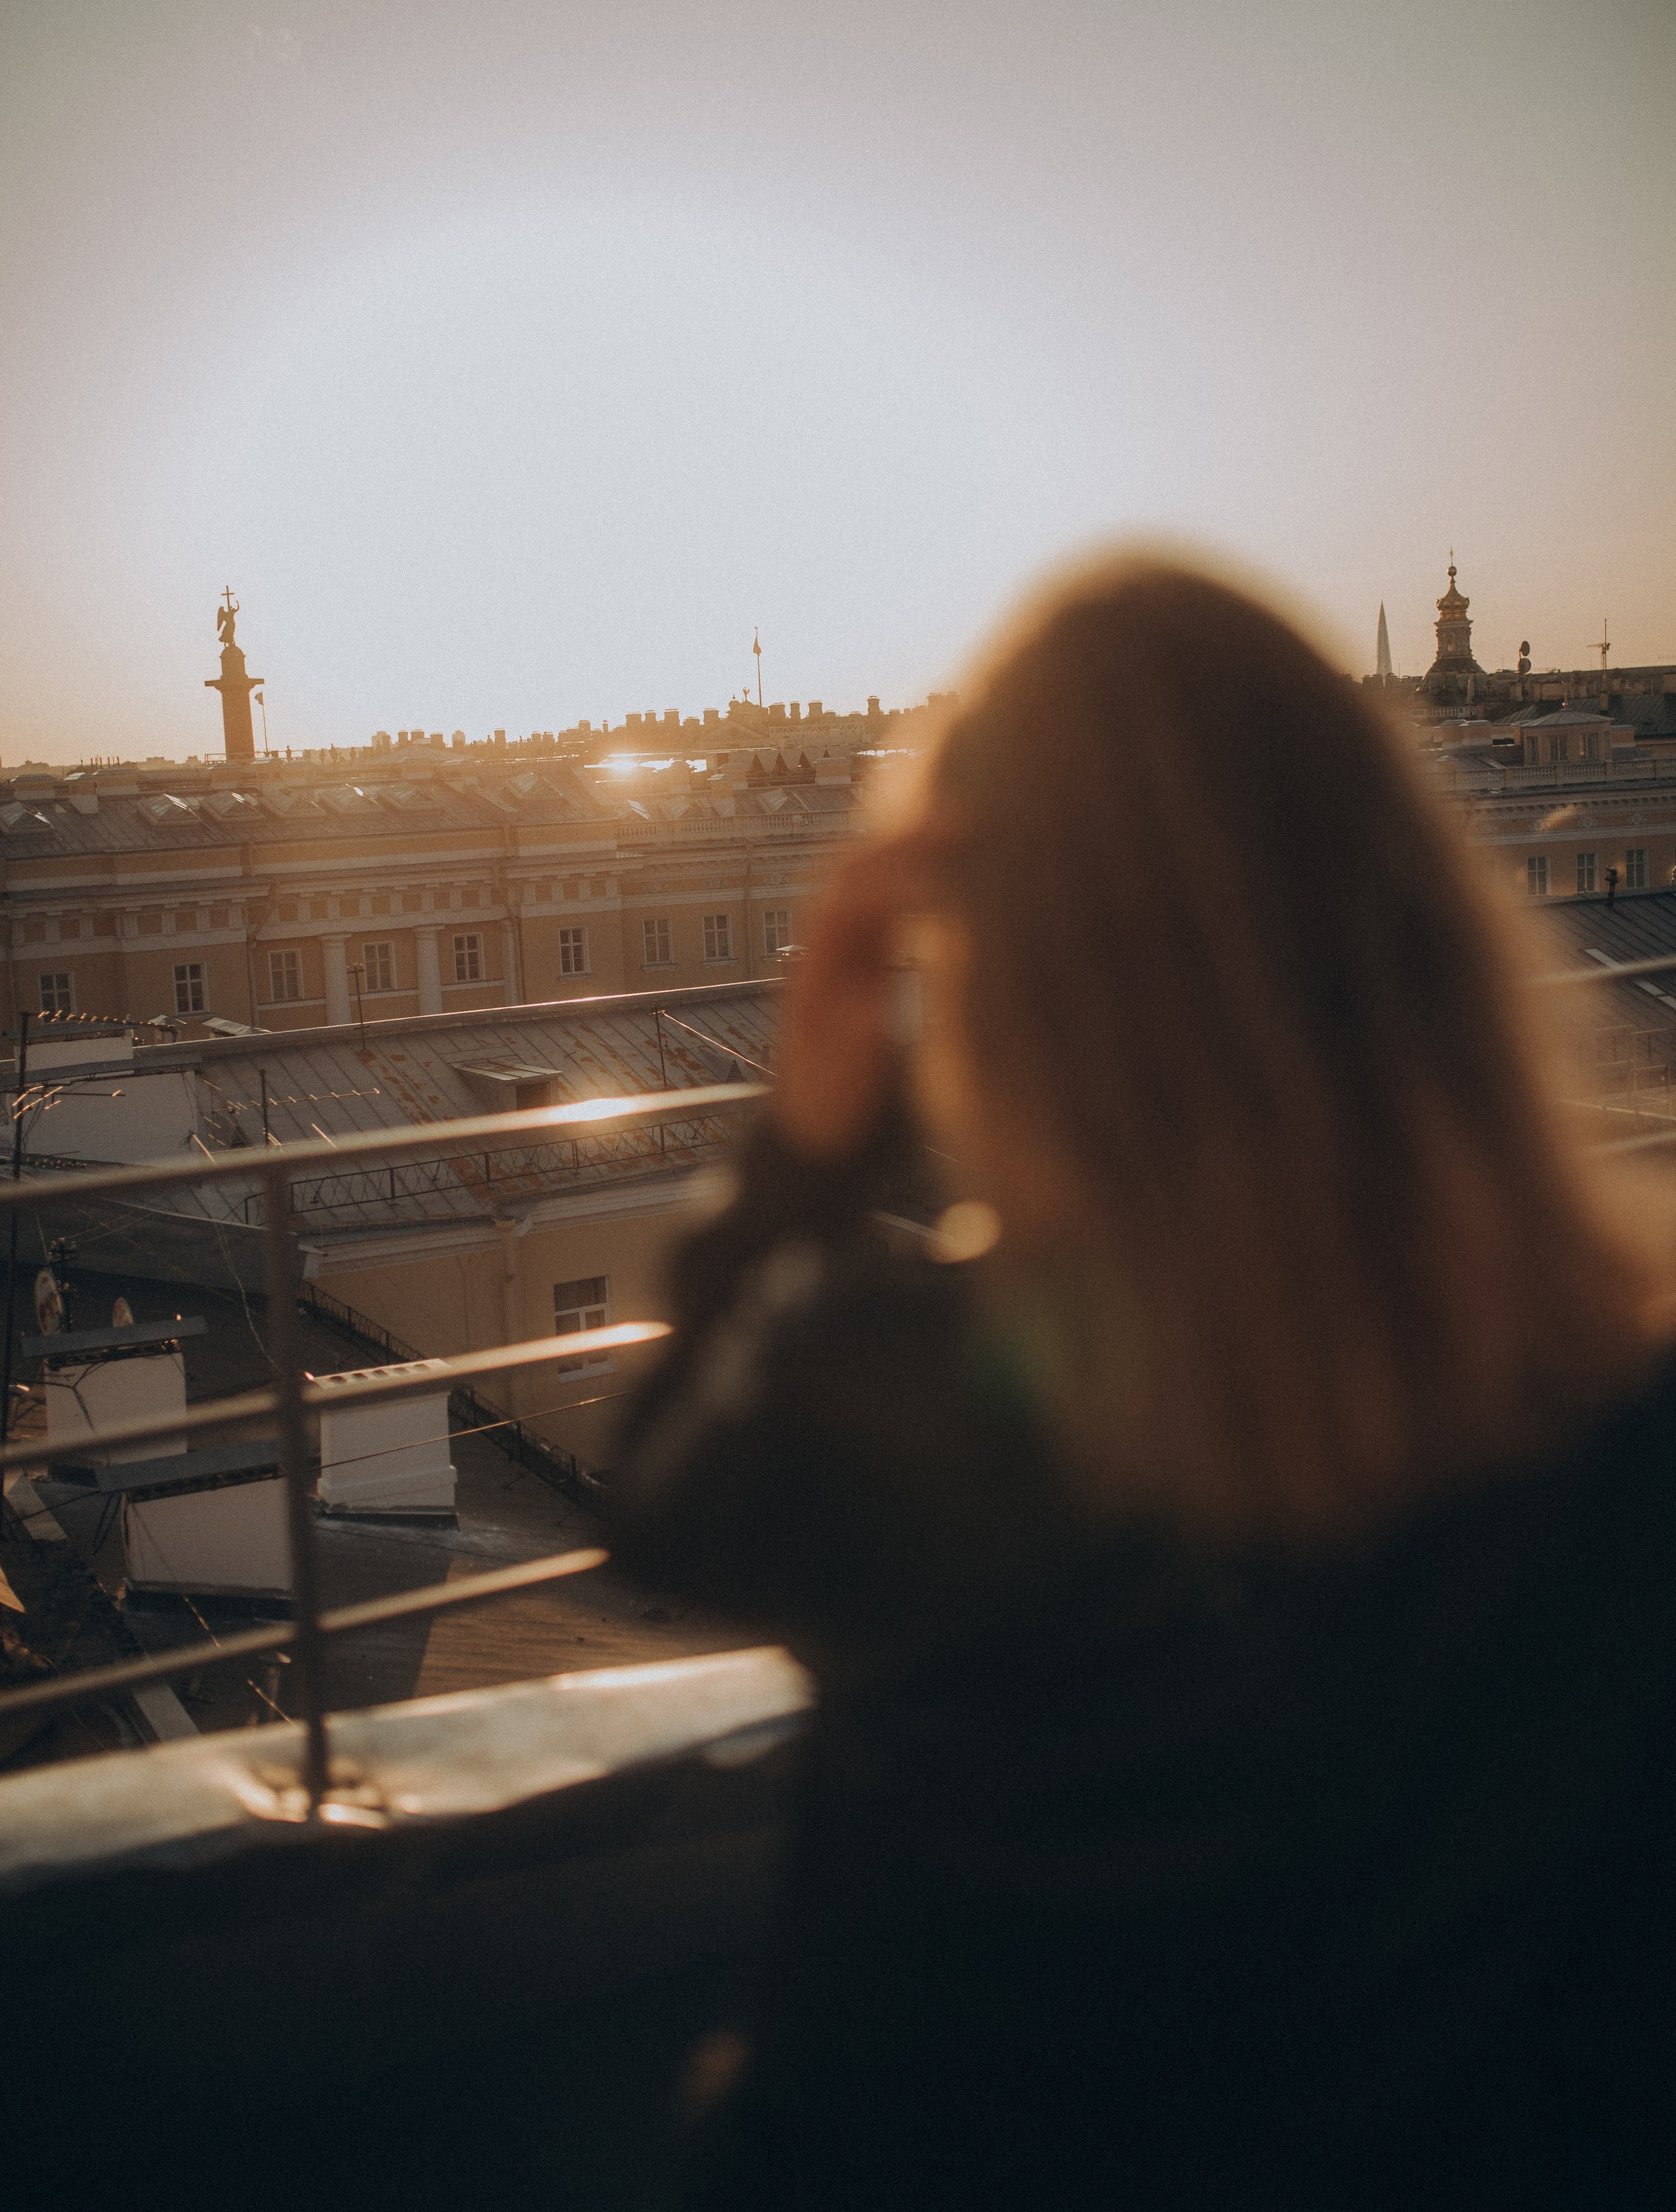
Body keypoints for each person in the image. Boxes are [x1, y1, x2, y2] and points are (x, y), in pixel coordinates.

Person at [608, 556, 1676, 2209]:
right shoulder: (1613, 1424)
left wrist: (805, 1157)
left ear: (992, 978)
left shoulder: (917, 1388)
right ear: (1418, 925)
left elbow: (666, 1503)